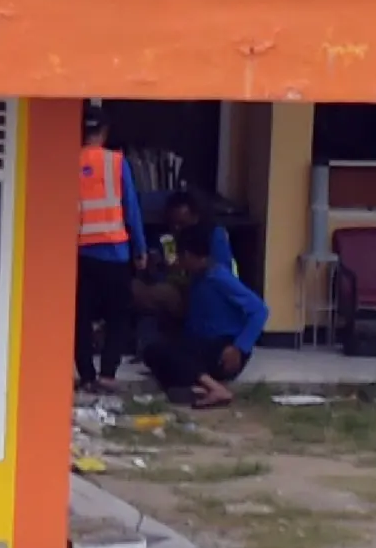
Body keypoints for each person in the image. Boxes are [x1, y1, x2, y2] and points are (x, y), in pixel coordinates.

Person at [141, 222, 267, 409]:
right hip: (202, 344)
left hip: (225, 348)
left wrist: (239, 347)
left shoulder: (220, 277)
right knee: (153, 352)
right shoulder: (197, 278)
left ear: (189, 255)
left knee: (174, 355)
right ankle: (196, 388)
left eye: (181, 256)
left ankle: (215, 388)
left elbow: (260, 310)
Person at [73, 105, 143, 390]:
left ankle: (87, 376)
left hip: (80, 253)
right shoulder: (116, 163)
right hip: (115, 252)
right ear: (103, 132)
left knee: (81, 317)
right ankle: (108, 374)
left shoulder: (68, 161)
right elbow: (132, 209)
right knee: (118, 316)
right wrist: (140, 248)